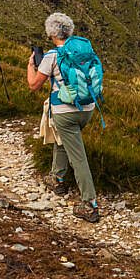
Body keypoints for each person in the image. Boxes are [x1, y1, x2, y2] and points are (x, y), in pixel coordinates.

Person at [26, 12, 101, 223]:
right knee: (65, 139)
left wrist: (30, 66)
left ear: (51, 33)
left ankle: (90, 203)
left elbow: (33, 85)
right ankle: (57, 177)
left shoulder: (51, 56)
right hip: (87, 109)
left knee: (78, 156)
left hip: (65, 112)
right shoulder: (83, 51)